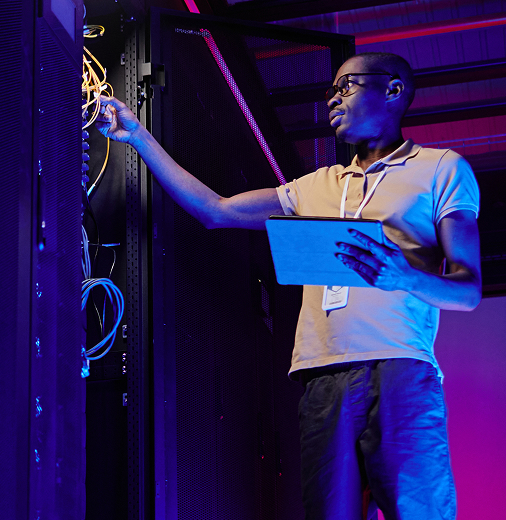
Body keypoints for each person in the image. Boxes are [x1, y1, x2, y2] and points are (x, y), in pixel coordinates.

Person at [97, 51, 481, 520]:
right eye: (331, 91)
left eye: (347, 86)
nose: (333, 100)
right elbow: (216, 210)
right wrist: (137, 136)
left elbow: (467, 290)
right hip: (320, 374)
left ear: (394, 90)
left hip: (399, 368)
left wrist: (403, 275)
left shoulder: (442, 168)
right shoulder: (316, 185)